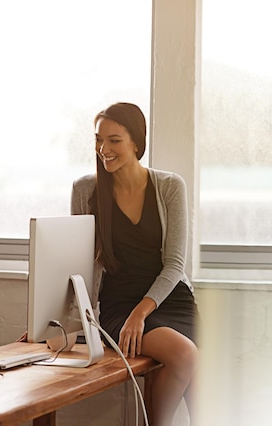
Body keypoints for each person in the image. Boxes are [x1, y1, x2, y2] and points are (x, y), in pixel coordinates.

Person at [71, 102, 199, 426]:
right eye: (99, 140)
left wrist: (141, 314)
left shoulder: (170, 187)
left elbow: (174, 265)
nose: (104, 149)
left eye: (114, 140)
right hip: (119, 305)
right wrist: (49, 320)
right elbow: (75, 265)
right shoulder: (86, 190)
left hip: (169, 300)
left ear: (136, 142)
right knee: (184, 355)